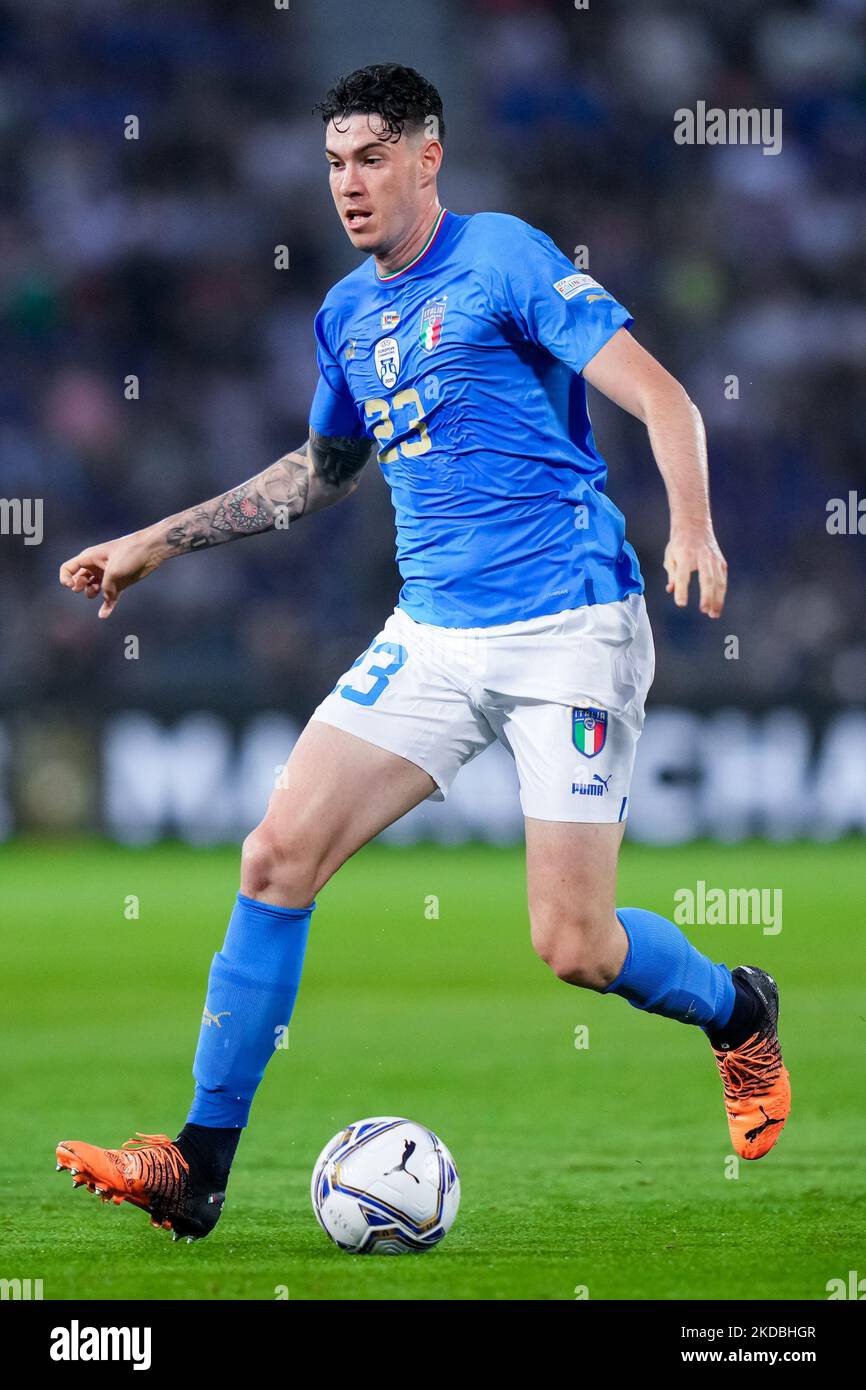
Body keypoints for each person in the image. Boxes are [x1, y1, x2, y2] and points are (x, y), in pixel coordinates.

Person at [55, 64, 790, 1241]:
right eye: (334, 161)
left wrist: (691, 525)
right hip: (434, 635)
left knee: (575, 947)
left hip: (569, 630)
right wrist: (154, 541)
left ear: (425, 159)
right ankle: (196, 1167)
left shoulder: (504, 257)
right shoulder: (345, 313)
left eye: (371, 158)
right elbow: (319, 474)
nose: (348, 184)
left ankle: (733, 1009)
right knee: (274, 857)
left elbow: (664, 403)